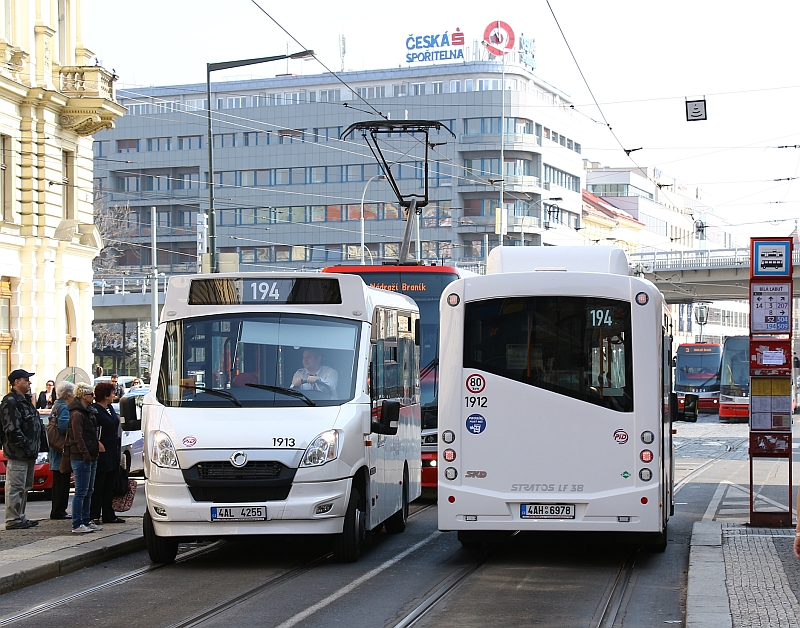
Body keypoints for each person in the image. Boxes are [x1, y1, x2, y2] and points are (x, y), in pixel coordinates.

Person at [0, 369, 45, 530]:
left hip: (29, 453)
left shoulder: (25, 400)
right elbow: (11, 429)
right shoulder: (11, 401)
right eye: (26, 380)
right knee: (15, 486)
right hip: (18, 453)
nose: (29, 382)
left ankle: (21, 516)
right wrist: (26, 444)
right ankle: (13, 519)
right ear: (16, 382)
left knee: (25, 486)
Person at [68, 382, 104, 534]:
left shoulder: (87, 411)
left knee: (89, 490)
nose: (93, 397)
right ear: (83, 395)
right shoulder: (77, 413)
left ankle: (86, 520)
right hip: (81, 456)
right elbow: (78, 437)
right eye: (91, 394)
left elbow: (90, 434)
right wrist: (85, 454)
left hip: (90, 454)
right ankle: (77, 524)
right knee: (81, 491)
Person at [90, 382, 124, 524]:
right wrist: (97, 442)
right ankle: (94, 514)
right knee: (99, 484)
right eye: (112, 393)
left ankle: (109, 513)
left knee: (110, 484)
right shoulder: (95, 410)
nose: (114, 396)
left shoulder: (110, 408)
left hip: (112, 450)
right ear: (105, 395)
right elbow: (91, 429)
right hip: (102, 451)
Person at [48, 381, 75, 520]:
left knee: (60, 482)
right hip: (61, 451)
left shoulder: (56, 405)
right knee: (61, 483)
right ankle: (59, 511)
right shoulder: (63, 407)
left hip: (56, 451)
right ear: (68, 395)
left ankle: (58, 510)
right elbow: (64, 427)